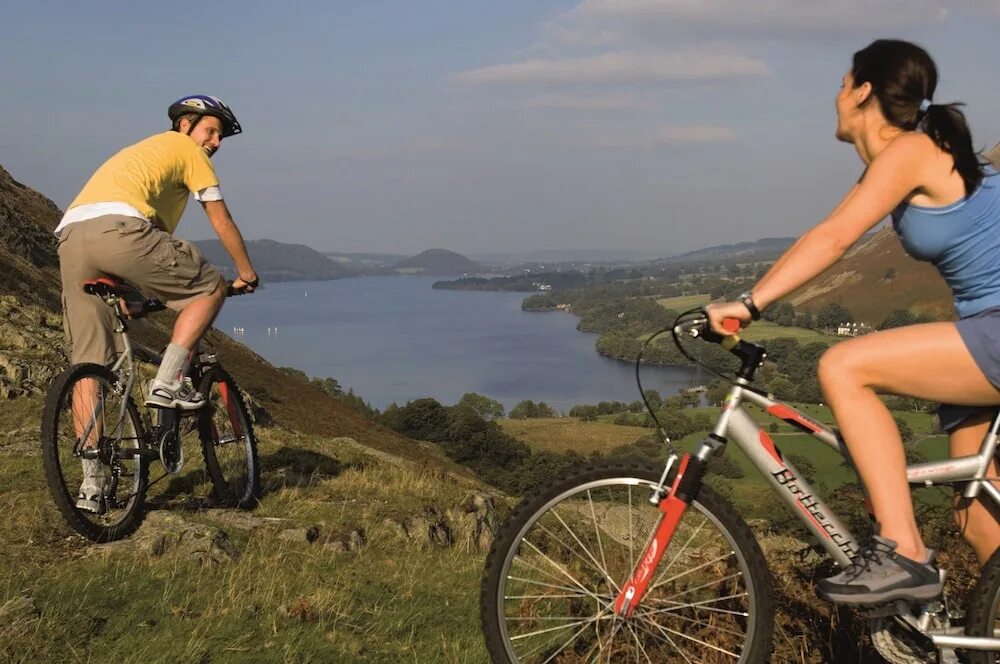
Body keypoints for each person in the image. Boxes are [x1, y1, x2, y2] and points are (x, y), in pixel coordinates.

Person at [707, 39, 1000, 606]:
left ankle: (902, 550)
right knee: (978, 519)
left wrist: (747, 306)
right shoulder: (898, 162)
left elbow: (834, 241)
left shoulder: (911, 151)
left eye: (842, 84)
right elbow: (828, 231)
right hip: (983, 327)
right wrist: (752, 297)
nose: (836, 97)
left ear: (863, 90)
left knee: (843, 365)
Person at [55, 94, 259, 512]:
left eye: (220, 136)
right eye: (212, 130)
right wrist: (245, 273)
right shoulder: (187, 150)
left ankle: (92, 487)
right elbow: (221, 219)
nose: (216, 141)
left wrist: (131, 293)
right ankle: (166, 383)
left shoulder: (142, 156)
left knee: (89, 364)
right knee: (208, 288)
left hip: (72, 237)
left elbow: (140, 254)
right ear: (185, 126)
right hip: (121, 229)